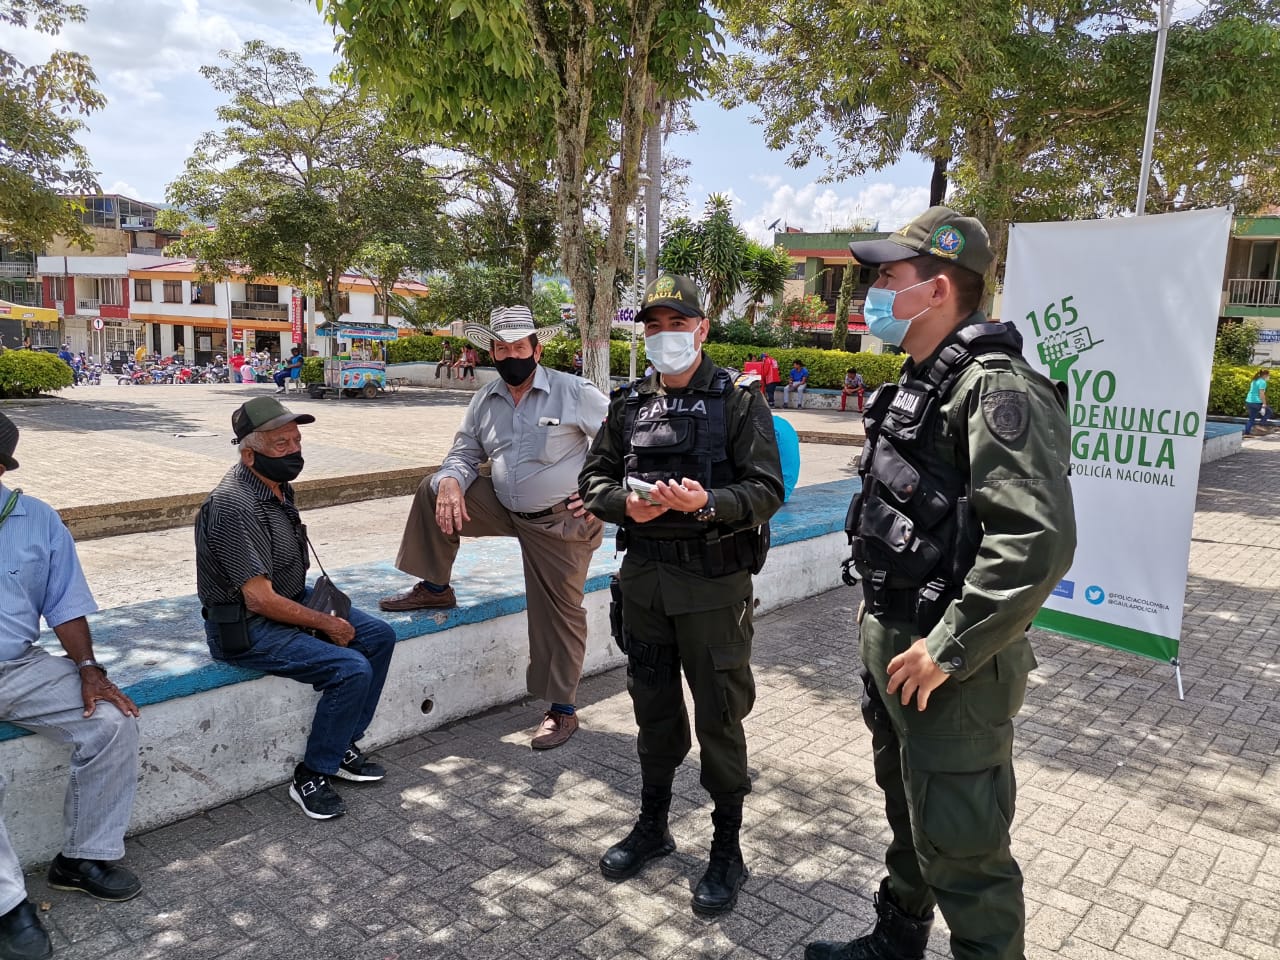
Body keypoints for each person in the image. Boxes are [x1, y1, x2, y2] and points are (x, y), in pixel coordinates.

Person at [805, 207, 1077, 960]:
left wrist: (948, 648)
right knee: (909, 813)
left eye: (889, 277)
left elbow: (1035, 542)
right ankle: (897, 939)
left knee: (966, 850)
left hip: (952, 665)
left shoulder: (995, 390)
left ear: (936, 290)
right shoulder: (925, 379)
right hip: (897, 643)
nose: (874, 291)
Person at [578, 273, 784, 918]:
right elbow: (594, 477)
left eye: (678, 323)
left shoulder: (740, 401)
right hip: (643, 582)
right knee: (652, 706)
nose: (665, 336)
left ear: (702, 328)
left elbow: (767, 490)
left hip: (713, 586)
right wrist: (622, 508)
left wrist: (708, 505)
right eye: (654, 325)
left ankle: (728, 849)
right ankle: (653, 826)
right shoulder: (629, 403)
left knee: (720, 715)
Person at [379, 307, 607, 749]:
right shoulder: (486, 398)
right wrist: (451, 479)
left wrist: (603, 489)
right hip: (503, 507)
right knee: (434, 487)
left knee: (558, 614)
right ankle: (435, 585)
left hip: (560, 521)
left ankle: (561, 710)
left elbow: (620, 440)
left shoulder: (574, 391)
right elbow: (464, 452)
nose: (510, 355)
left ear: (537, 350)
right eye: (501, 348)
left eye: (519, 347)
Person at [195, 397, 396, 821]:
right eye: (280, 443)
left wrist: (324, 616)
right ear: (249, 453)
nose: (294, 451)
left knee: (378, 636)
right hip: (246, 625)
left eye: (296, 441)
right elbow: (258, 599)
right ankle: (312, 773)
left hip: (290, 599)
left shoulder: (277, 487)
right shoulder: (234, 506)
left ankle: (341, 744)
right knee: (349, 668)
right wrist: (326, 624)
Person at [0, 412, 143, 960]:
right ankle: (9, 905)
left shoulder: (35, 519)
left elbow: (65, 603)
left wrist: (88, 669)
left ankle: (82, 858)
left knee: (110, 723)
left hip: (17, 666)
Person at [1244, 369, 1270, 435]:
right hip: (1256, 402)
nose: (1268, 377)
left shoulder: (1254, 380)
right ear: (1265, 375)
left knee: (1252, 418)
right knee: (1269, 412)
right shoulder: (1262, 382)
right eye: (1268, 375)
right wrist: (1264, 404)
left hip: (1249, 401)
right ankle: (1261, 425)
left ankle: (1246, 433)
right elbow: (1261, 394)